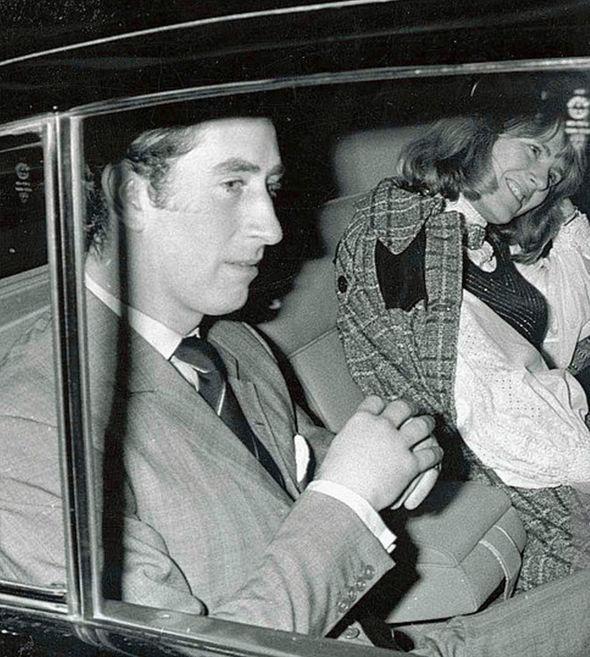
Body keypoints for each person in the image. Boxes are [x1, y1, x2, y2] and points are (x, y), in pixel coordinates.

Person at [1, 113, 590, 657]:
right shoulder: (31, 427)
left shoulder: (233, 343)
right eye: (233, 185)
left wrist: (396, 456)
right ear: (131, 196)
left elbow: (296, 459)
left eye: (271, 187)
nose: (273, 227)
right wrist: (349, 498)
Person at [335, 106, 590, 593]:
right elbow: (480, 405)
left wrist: (565, 215)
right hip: (499, 461)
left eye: (554, 176)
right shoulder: (404, 226)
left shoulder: (471, 236)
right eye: (534, 150)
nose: (541, 181)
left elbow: (554, 340)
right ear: (478, 136)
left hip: (526, 442)